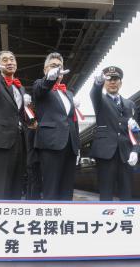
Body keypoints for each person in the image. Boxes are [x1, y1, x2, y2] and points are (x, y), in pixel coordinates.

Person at [33, 52, 80, 200]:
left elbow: (73, 120)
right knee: (51, 188)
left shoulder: (69, 93)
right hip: (51, 143)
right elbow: (41, 88)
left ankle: (65, 218)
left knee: (67, 189)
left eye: (60, 67)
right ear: (45, 69)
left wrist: (77, 147)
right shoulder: (40, 85)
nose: (58, 69)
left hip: (70, 145)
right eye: (53, 66)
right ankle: (50, 220)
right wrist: (50, 78)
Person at [0, 51, 32, 199]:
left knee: (17, 183)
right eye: (5, 60)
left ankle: (13, 218)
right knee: (2, 183)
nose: (10, 62)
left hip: (19, 139)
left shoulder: (20, 88)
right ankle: (0, 219)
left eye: (12, 59)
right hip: (2, 140)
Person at [90, 66, 140, 201]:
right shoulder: (99, 100)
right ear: (105, 83)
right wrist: (97, 83)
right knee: (106, 193)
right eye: (109, 79)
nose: (112, 82)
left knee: (127, 192)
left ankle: (125, 220)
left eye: (116, 79)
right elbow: (94, 93)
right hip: (106, 154)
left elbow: (136, 130)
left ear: (121, 83)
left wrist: (135, 150)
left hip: (126, 153)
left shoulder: (130, 104)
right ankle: (107, 221)